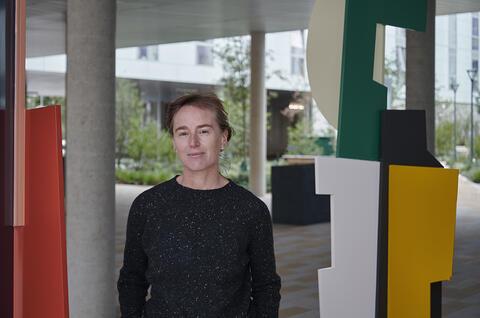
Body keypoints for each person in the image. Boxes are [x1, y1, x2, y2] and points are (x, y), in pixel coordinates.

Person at [117, 93, 281, 317]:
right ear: (174, 141)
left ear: (223, 138)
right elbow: (132, 280)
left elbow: (266, 287)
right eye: (183, 133)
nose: (193, 143)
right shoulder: (148, 206)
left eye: (203, 131)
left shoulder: (250, 210)